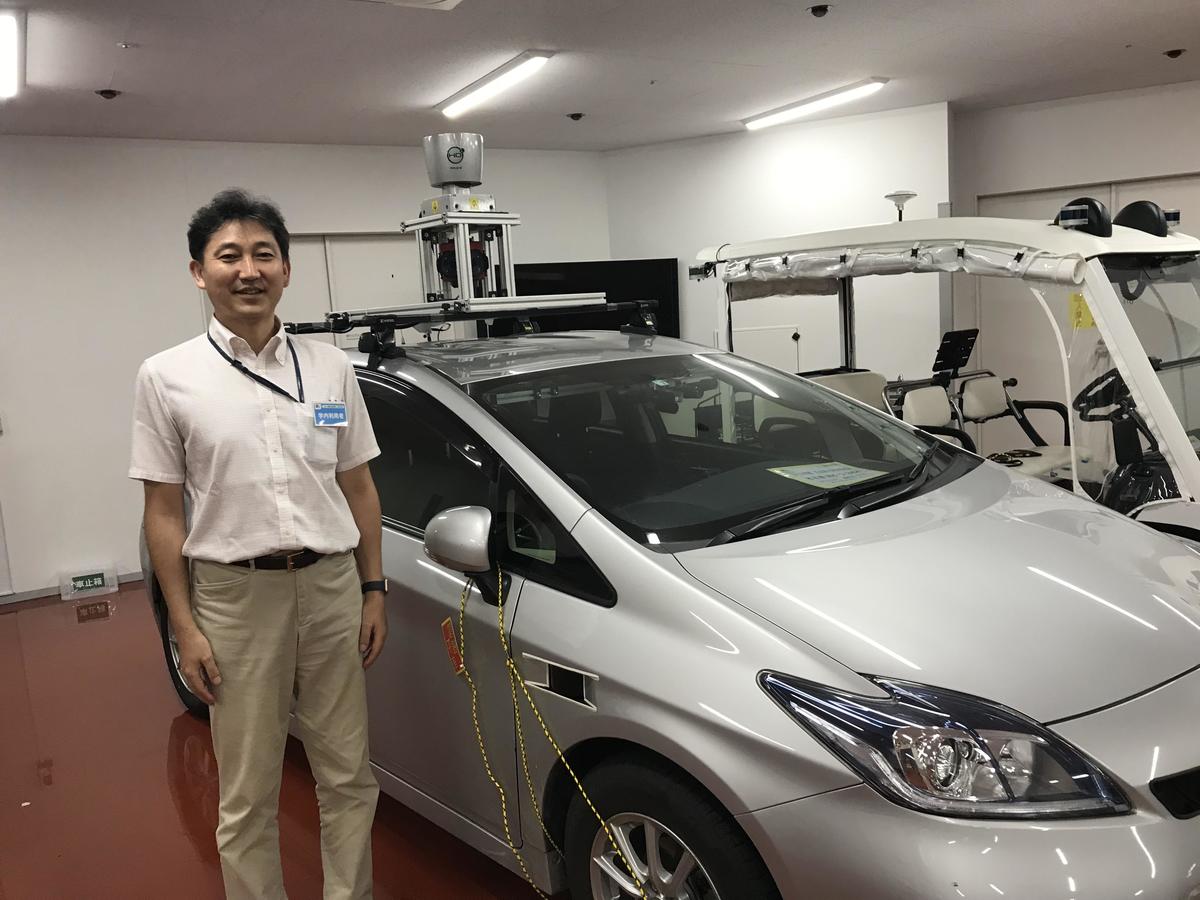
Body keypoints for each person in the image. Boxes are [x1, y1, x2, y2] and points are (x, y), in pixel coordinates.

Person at [130, 188, 387, 899]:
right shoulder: (167, 376)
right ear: (198, 271)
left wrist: (373, 587)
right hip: (235, 598)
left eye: (264, 254)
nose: (249, 270)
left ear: (286, 269)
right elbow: (162, 509)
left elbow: (358, 487)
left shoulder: (330, 367)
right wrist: (184, 625)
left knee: (348, 774)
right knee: (246, 791)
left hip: (333, 587)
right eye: (229, 256)